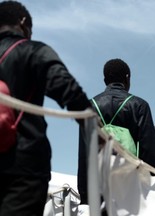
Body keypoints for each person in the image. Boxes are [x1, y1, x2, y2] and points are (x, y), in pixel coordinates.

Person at [0, 1, 91, 216]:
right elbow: (69, 91)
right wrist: (95, 128)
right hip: (23, 165)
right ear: (23, 23)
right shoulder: (32, 50)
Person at [77, 58, 155, 205]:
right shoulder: (139, 105)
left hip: (99, 182)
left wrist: (85, 195)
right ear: (127, 77)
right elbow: (149, 149)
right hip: (131, 183)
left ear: (105, 80)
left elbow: (84, 153)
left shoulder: (89, 107)